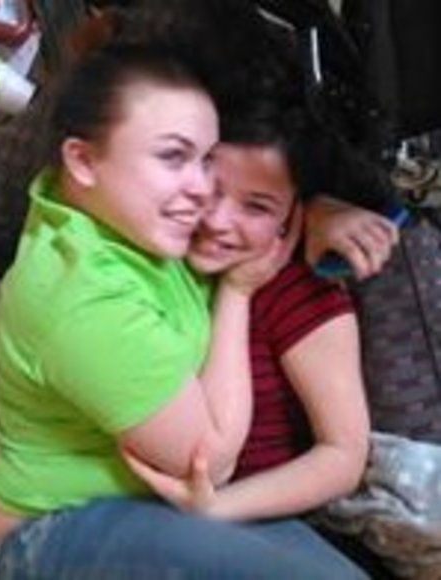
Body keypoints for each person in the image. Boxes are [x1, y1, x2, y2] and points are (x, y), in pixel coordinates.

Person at [0, 37, 369, 579]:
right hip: (55, 524)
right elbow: (213, 461)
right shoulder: (85, 296)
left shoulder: (129, 221)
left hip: (160, 508)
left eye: (205, 160)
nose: (203, 193)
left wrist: (324, 210)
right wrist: (237, 293)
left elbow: (263, 180)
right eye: (172, 157)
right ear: (82, 160)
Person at [124, 100, 371, 526]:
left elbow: (343, 454)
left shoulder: (298, 291)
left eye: (256, 206)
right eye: (211, 186)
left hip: (259, 516)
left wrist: (215, 509)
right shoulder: (154, 253)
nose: (218, 221)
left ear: (292, 218)